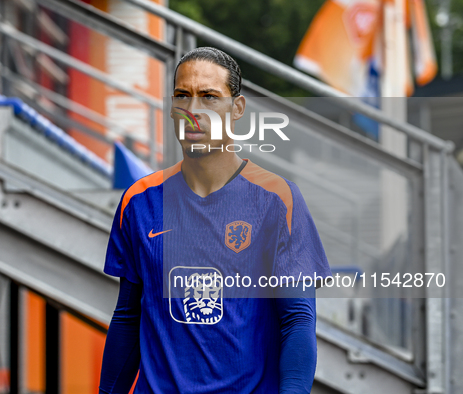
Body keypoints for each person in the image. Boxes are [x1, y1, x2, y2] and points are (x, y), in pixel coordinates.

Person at [99, 47, 332, 394]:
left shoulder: (277, 200)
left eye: (209, 97)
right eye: (182, 96)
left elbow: (297, 321)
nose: (194, 111)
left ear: (236, 108)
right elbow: (128, 317)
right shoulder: (139, 201)